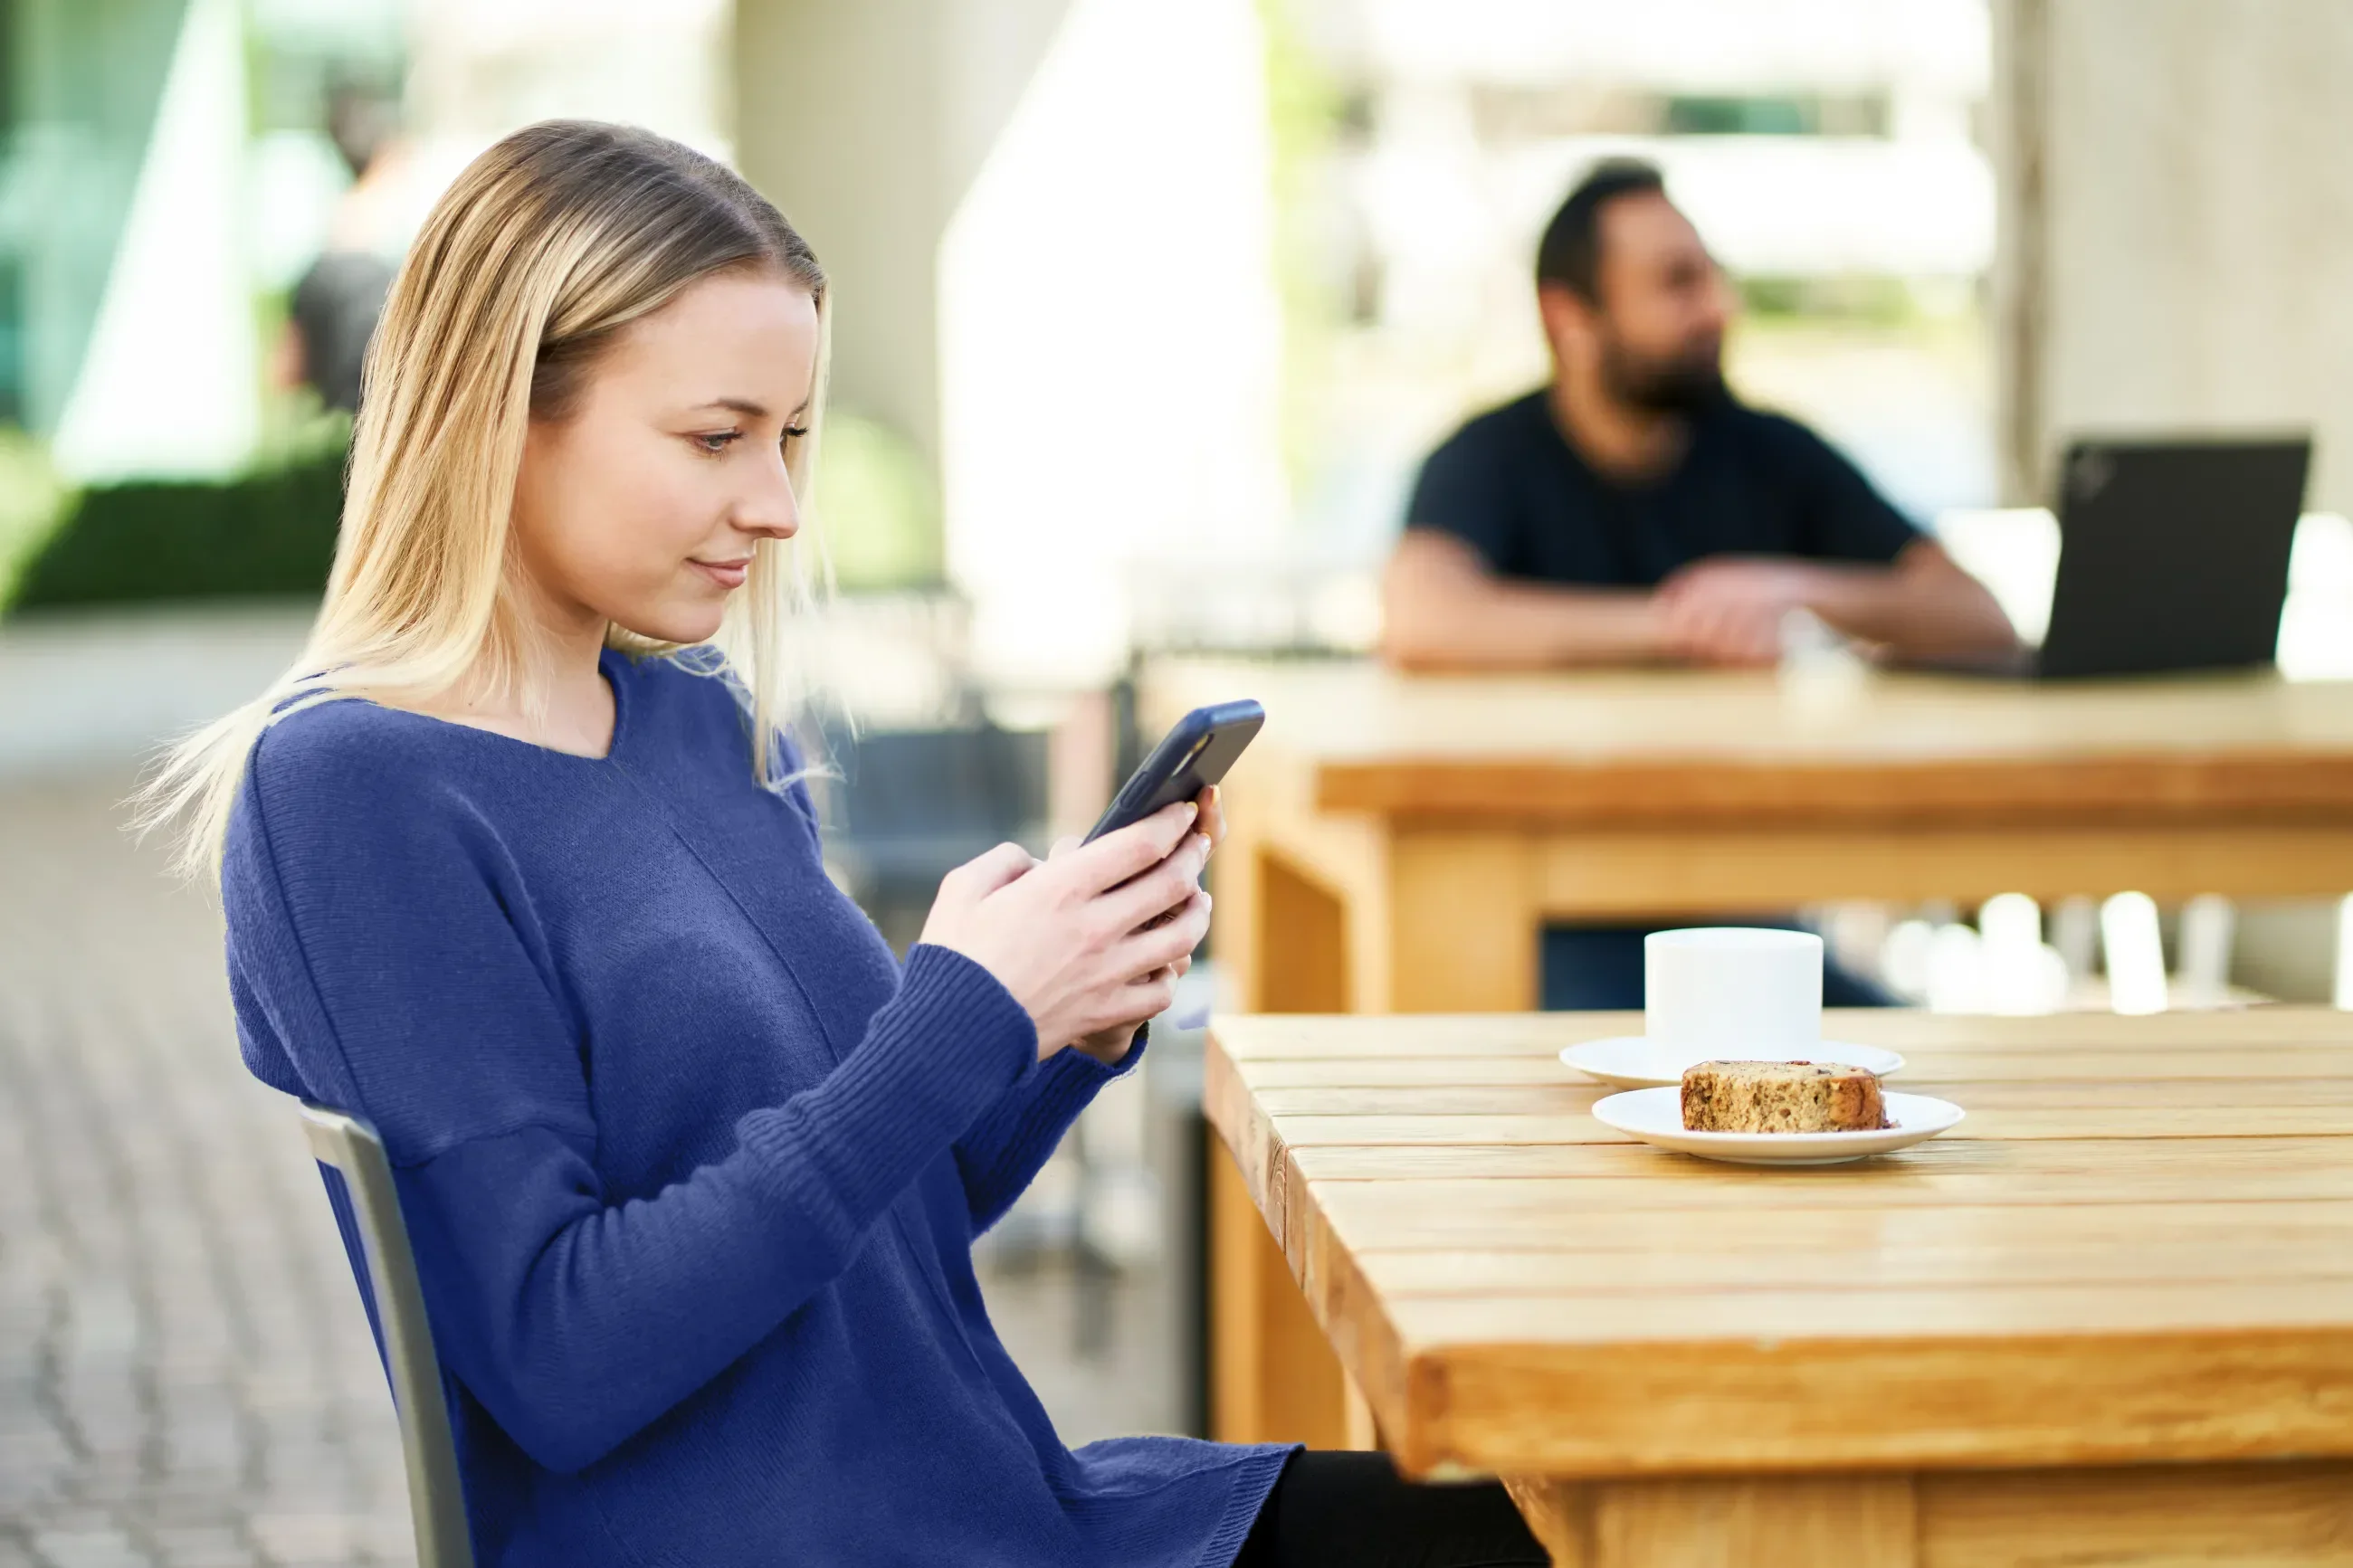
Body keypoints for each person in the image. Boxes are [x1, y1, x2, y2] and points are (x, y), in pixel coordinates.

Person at [141, 122, 1545, 1567]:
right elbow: (562, 1358)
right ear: (502, 411)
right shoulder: (352, 795)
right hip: (759, 1539)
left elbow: (884, 1212)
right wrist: (958, 1015)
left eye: (792, 436)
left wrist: (1057, 1017)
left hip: (986, 1503)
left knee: (1561, 1506)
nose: (779, 505)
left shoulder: (696, 719)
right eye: (715, 437)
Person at [1384, 160, 2017, 1009]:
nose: (1718, 309)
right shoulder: (1488, 457)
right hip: (1542, 917)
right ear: (1570, 319)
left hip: (1751, 934)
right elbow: (1422, 617)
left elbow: (1980, 617)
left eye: (1714, 277)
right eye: (1677, 284)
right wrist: (1683, 621)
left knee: (1927, 1081)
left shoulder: (1772, 452)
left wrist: (1795, 588)